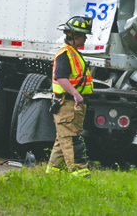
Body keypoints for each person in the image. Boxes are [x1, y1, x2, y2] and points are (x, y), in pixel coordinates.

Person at [45, 16, 94, 178]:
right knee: (72, 140)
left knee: (63, 139)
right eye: (83, 35)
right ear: (73, 36)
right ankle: (80, 174)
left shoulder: (73, 53)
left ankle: (52, 174)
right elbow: (61, 77)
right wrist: (75, 93)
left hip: (71, 105)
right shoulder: (65, 54)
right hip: (67, 104)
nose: (85, 38)